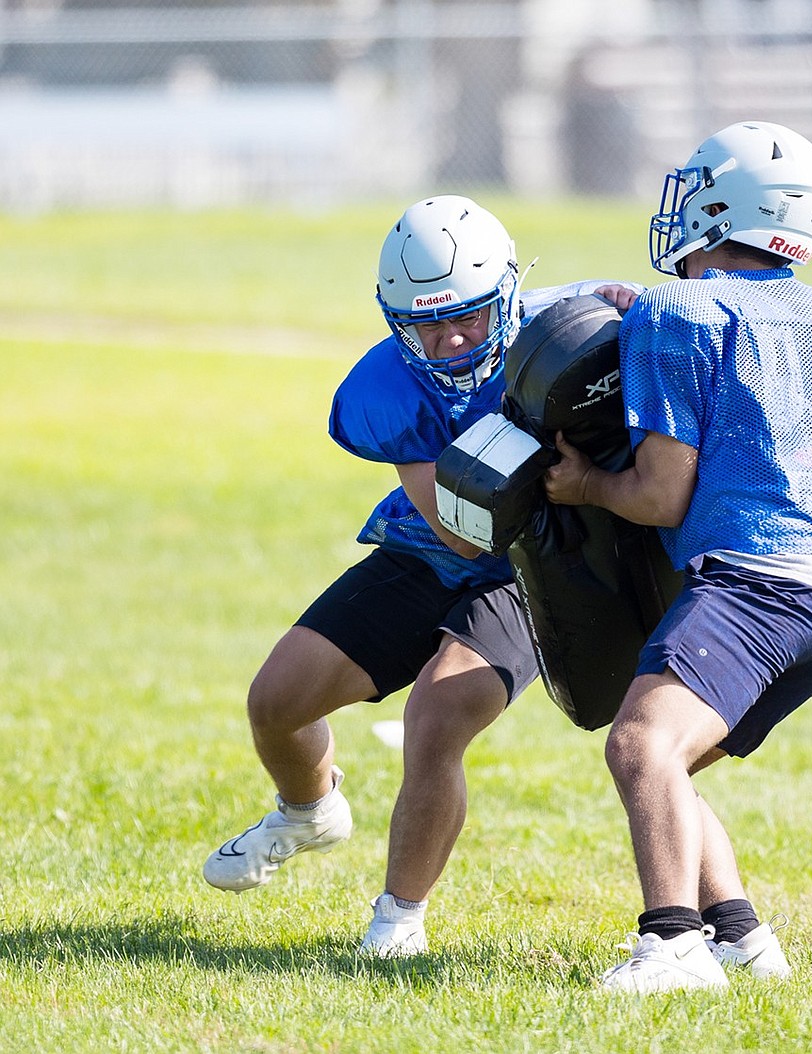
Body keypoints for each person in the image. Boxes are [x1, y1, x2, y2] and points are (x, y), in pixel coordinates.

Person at [203, 194, 638, 957]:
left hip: (536, 561)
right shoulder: (386, 387)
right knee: (276, 701)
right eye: (426, 324)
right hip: (441, 544)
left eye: (470, 314)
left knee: (436, 716)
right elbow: (460, 533)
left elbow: (673, 323)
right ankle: (308, 811)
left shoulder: (571, 328)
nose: (452, 337)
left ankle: (398, 922)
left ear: (508, 289)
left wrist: (640, 316)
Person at [544, 121, 812, 993]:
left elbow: (659, 497)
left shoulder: (678, 308)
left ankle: (673, 946)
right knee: (669, 763)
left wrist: (582, 487)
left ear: (721, 206)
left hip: (754, 579)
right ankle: (741, 937)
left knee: (641, 745)